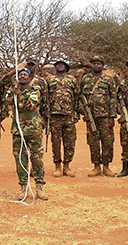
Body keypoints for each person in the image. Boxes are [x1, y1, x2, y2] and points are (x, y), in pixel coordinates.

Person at [9, 68, 47, 199]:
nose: (23, 76)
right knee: (20, 159)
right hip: (18, 131)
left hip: (33, 130)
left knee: (37, 159)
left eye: (25, 74)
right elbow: (6, 101)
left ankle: (39, 187)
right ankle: (23, 187)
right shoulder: (12, 90)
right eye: (20, 75)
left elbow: (31, 105)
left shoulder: (35, 90)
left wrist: (19, 94)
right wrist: (13, 91)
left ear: (30, 78)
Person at [79, 56, 119, 177]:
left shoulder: (108, 79)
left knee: (107, 142)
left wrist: (112, 116)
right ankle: (96, 166)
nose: (96, 65)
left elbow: (113, 97)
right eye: (94, 63)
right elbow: (80, 96)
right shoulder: (85, 79)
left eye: (98, 63)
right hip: (91, 117)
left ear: (102, 65)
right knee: (93, 142)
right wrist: (83, 111)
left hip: (105, 116)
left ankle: (106, 167)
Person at [44, 60, 81, 178]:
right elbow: (46, 98)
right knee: (55, 143)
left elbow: (77, 97)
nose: (60, 66)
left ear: (66, 67)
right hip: (54, 116)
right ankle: (57, 166)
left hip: (69, 115)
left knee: (70, 142)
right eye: (57, 65)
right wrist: (46, 115)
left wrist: (76, 113)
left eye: (62, 64)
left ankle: (67, 166)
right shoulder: (49, 80)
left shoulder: (72, 80)